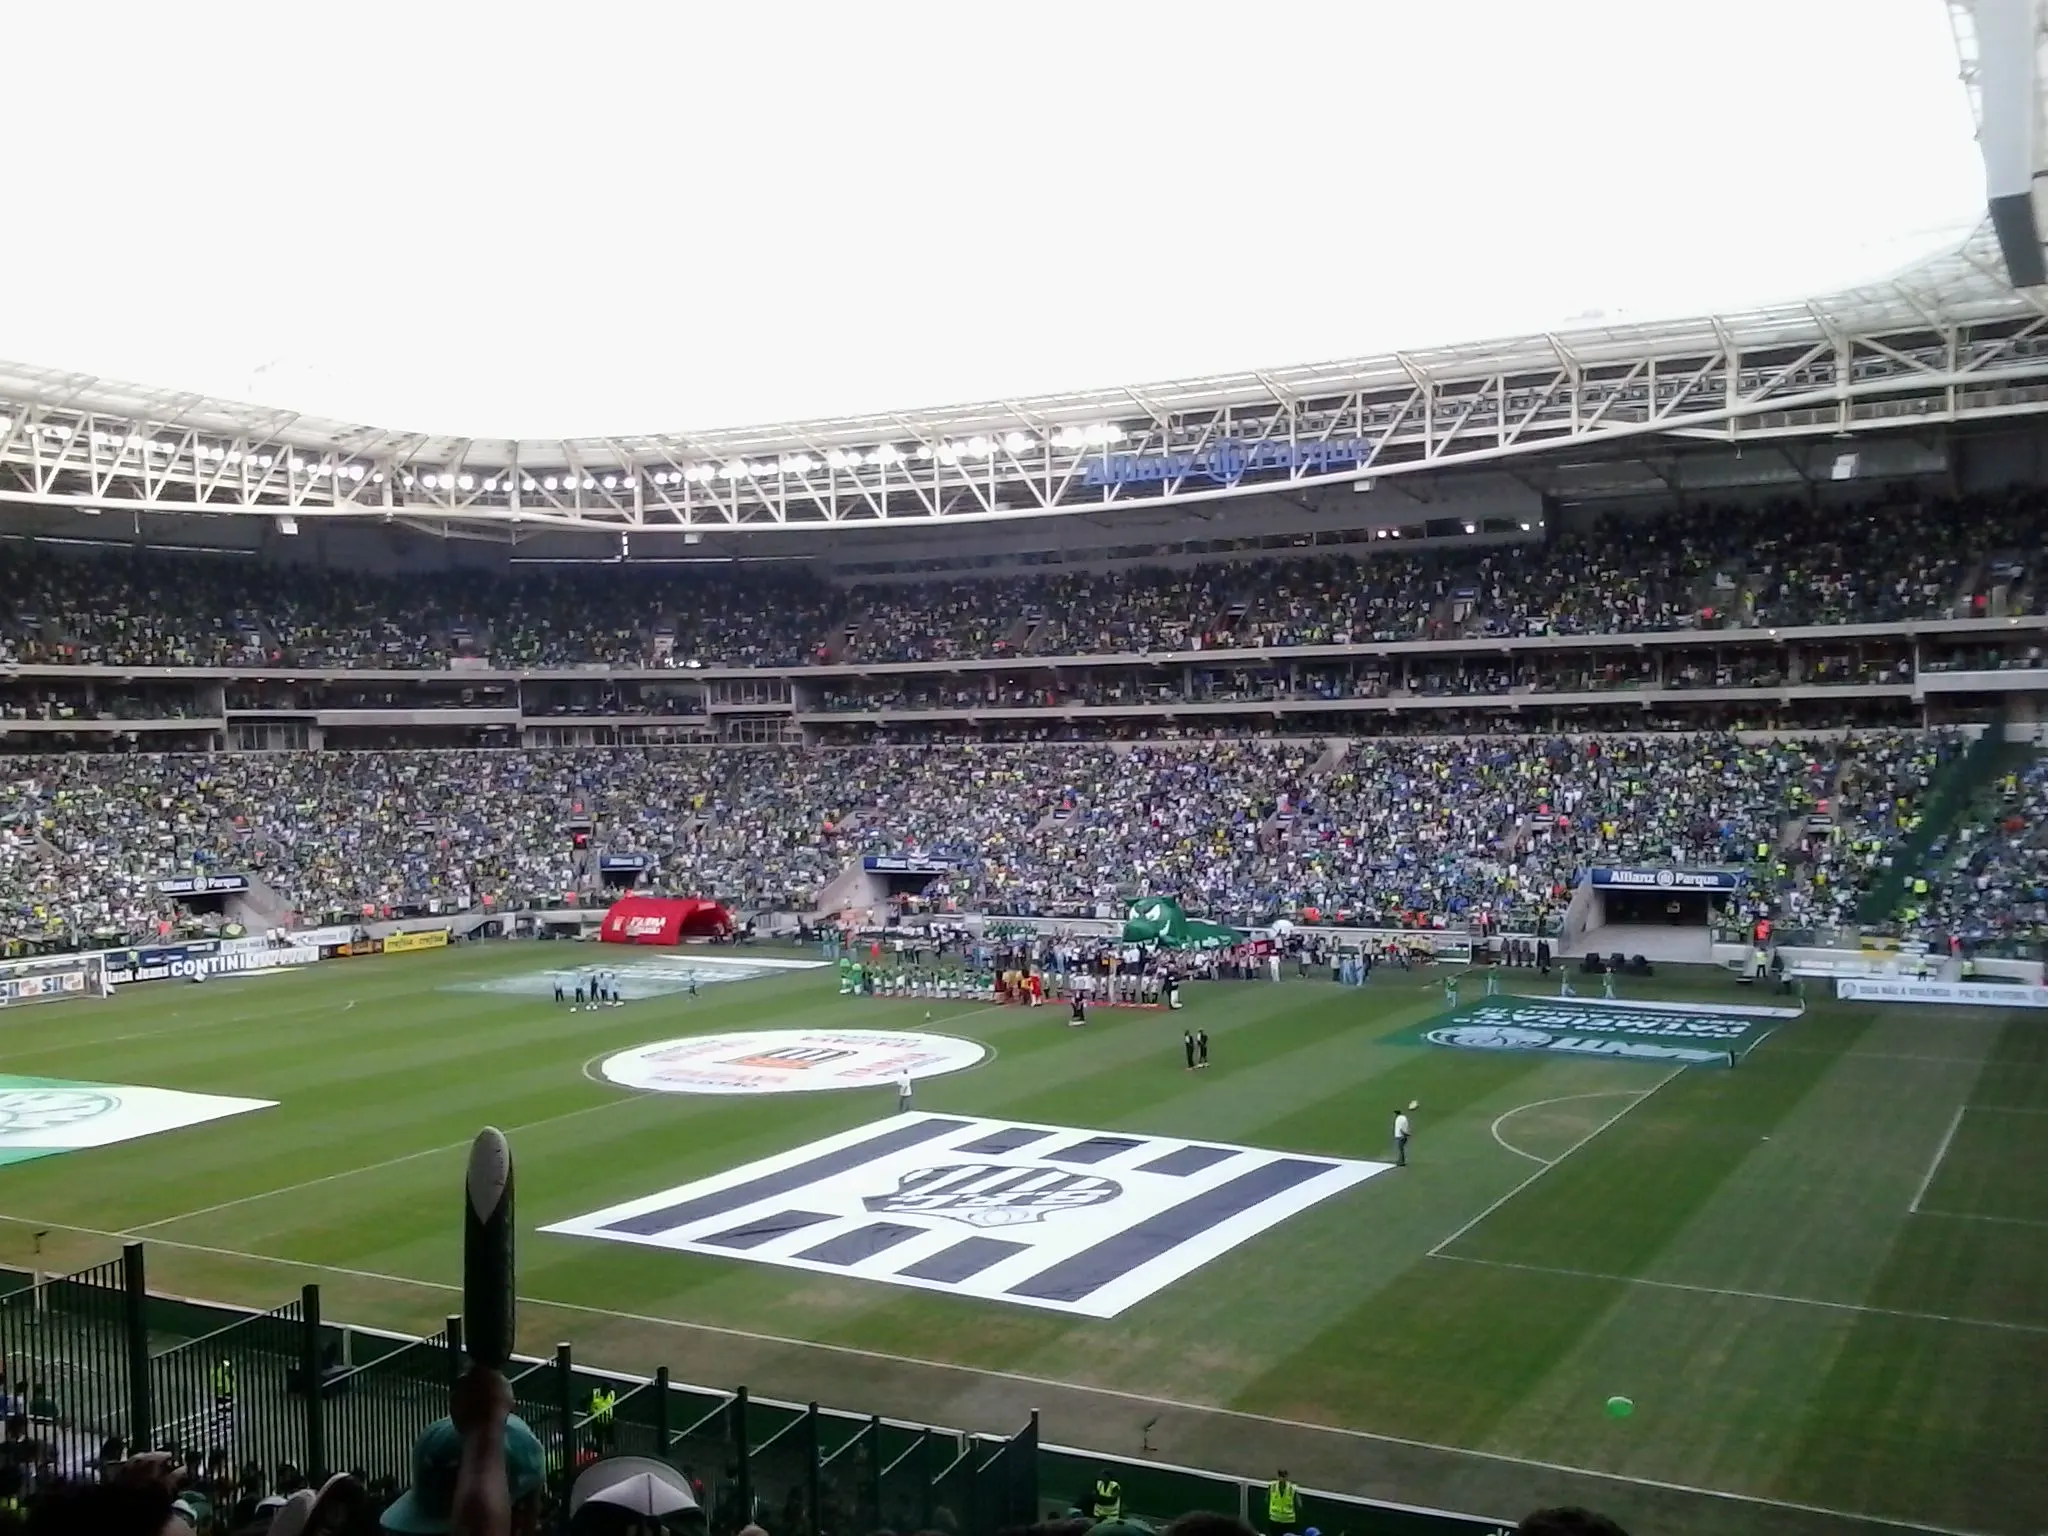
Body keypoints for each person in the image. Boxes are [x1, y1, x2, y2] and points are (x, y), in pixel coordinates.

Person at [1266, 1469, 1301, 1536]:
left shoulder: (1292, 1488)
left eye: (1283, 1476)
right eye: (1280, 1476)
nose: (1282, 1478)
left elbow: (1299, 1504)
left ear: (1286, 1477)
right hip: (1274, 1519)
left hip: (1288, 1521)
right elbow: (1267, 1499)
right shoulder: (1272, 1486)